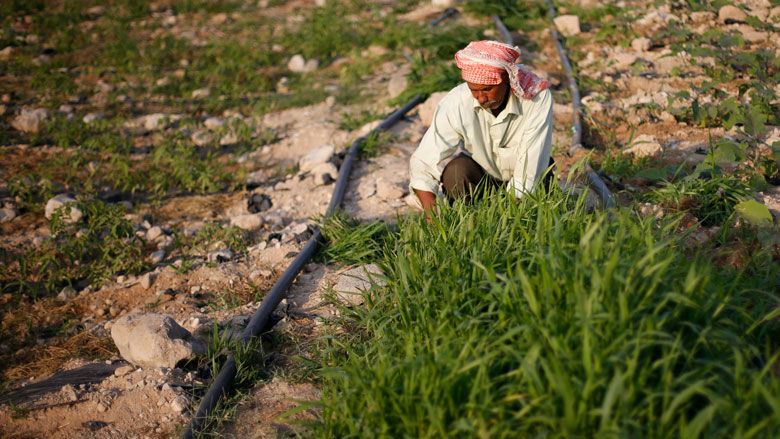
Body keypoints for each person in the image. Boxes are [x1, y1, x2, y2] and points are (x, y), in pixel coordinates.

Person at [409, 40, 555, 219]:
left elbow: (530, 169)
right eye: (473, 90)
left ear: (507, 80)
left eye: (487, 89)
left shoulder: (537, 99)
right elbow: (422, 161)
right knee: (456, 171)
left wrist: (503, 222)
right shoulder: (457, 102)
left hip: (527, 181)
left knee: (540, 182)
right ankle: (464, 219)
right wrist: (433, 217)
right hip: (482, 177)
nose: (480, 97)